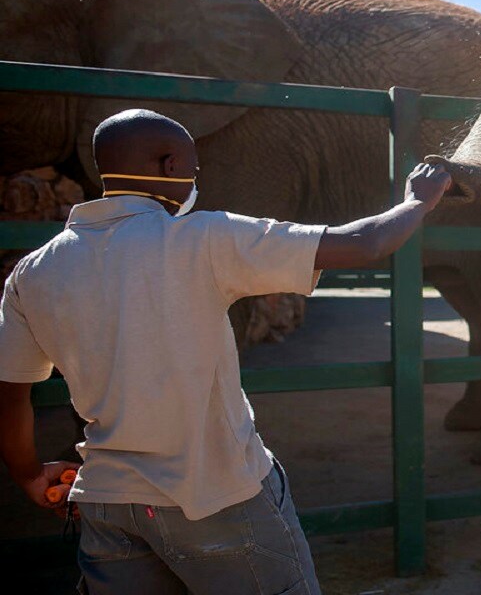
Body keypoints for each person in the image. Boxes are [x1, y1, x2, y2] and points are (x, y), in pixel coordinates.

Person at [0, 109, 452, 594]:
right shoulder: (204, 237)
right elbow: (365, 243)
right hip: (214, 496)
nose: (194, 181)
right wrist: (418, 201)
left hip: (109, 506)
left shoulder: (33, 271)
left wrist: (29, 474)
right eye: (193, 168)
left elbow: (10, 392)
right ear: (170, 164)